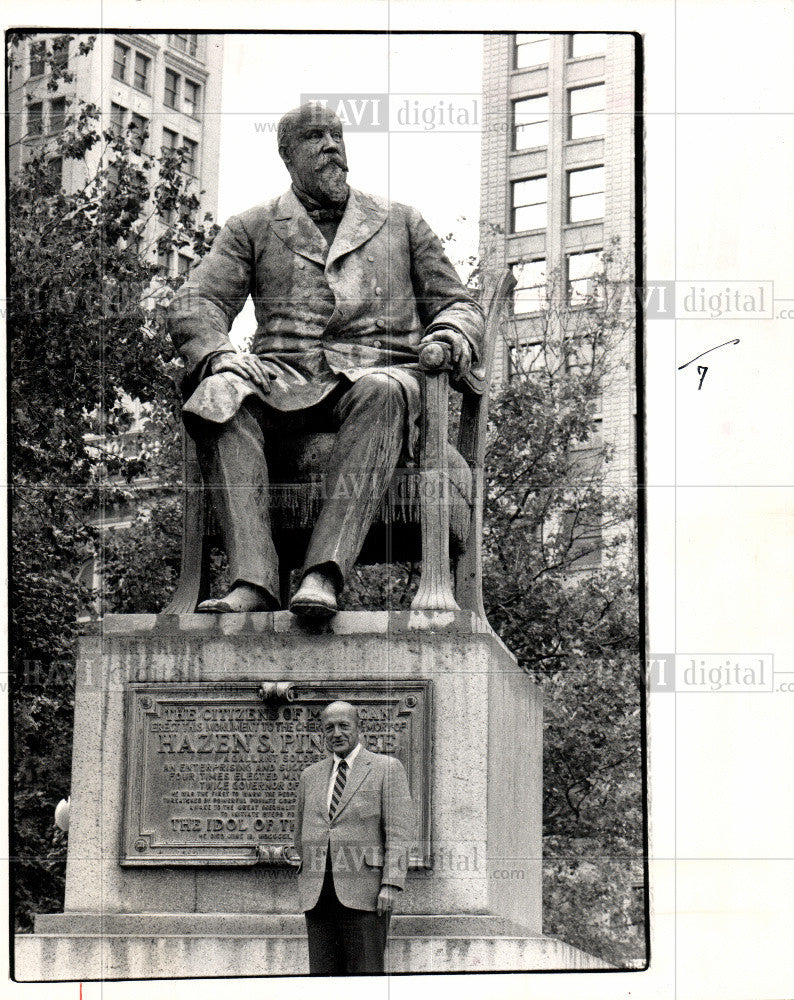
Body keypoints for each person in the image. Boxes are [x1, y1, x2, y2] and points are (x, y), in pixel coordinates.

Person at [167, 101, 484, 617]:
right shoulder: (252, 226)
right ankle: (253, 580)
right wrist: (221, 355)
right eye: (316, 138)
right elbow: (194, 302)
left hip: (377, 376)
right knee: (218, 395)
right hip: (282, 379)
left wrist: (447, 335)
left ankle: (322, 574)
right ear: (288, 155)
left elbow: (458, 304)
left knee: (383, 388)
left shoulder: (401, 222)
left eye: (337, 136)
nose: (332, 147)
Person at [292, 701, 414, 975]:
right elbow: (300, 833)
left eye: (344, 726)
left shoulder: (386, 768)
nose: (336, 733)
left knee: (364, 979)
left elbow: (399, 832)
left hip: (366, 895)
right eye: (329, 728)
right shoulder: (309, 776)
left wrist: (391, 884)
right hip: (318, 895)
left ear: (359, 728)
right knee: (323, 981)